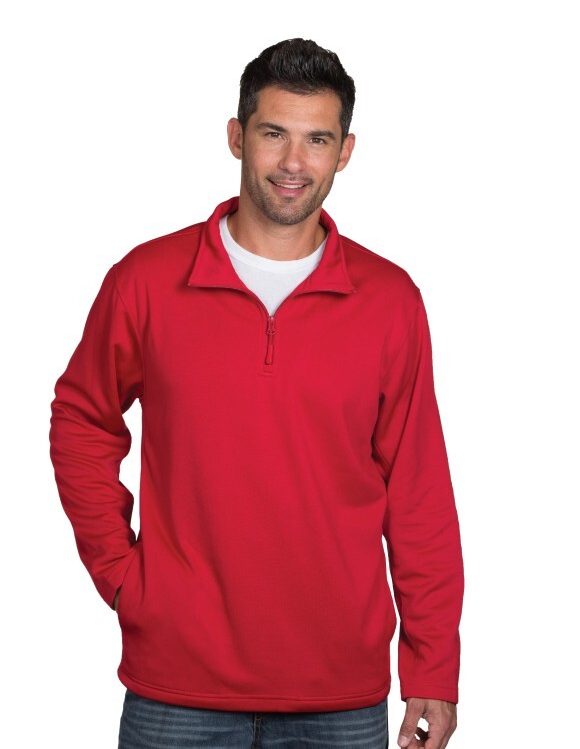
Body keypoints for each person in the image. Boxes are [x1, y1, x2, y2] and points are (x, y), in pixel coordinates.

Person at [49, 38, 464, 749]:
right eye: (274, 134)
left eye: (317, 140)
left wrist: (433, 663)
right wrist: (120, 574)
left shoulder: (390, 300)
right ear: (237, 137)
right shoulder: (146, 281)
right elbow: (82, 420)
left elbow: (417, 489)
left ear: (345, 152)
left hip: (339, 691)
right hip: (176, 685)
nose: (293, 162)